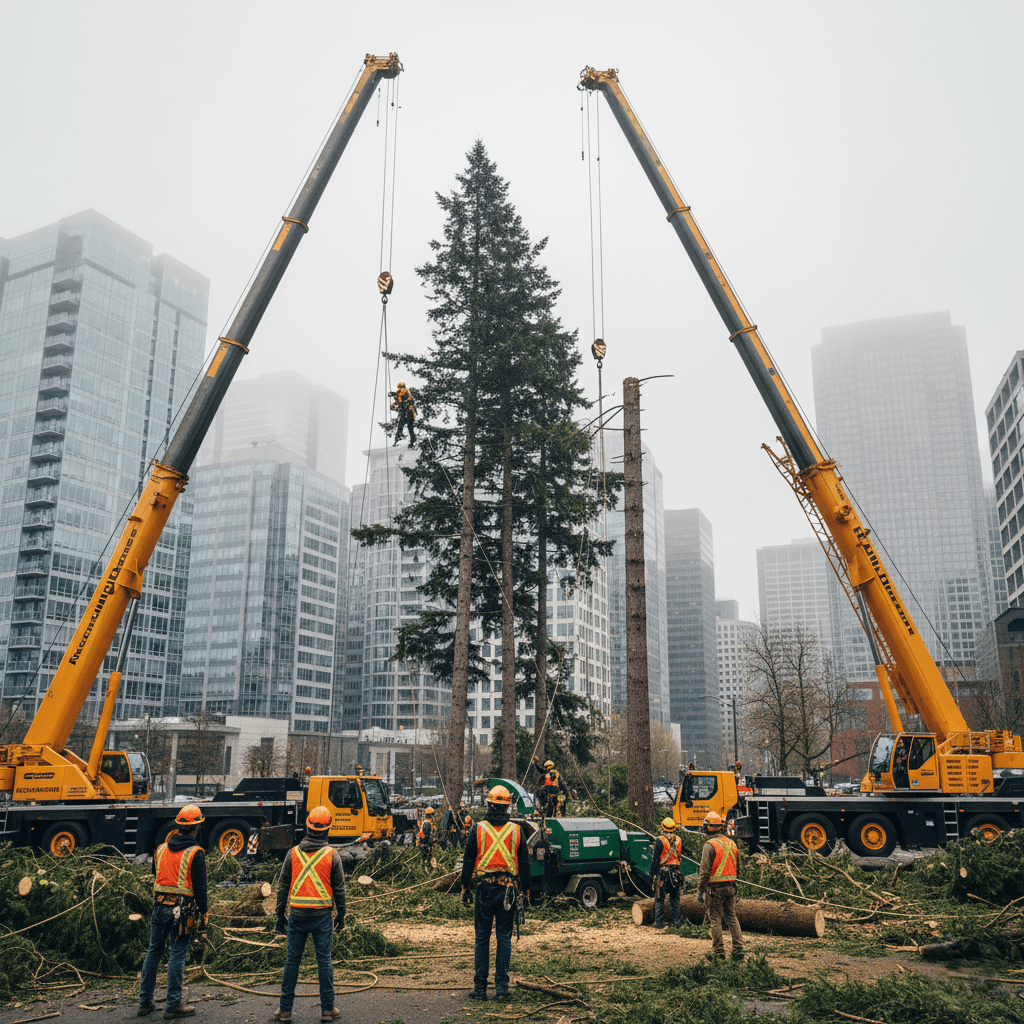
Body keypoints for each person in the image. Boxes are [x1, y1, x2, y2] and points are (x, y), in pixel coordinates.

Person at [274, 806, 346, 1023]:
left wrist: (279, 915)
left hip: (297, 916)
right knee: (324, 962)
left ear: (307, 827)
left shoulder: (292, 853)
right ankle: (327, 1010)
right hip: (322, 917)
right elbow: (339, 889)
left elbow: (282, 886)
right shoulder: (332, 855)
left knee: (292, 962)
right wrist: (341, 915)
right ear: (327, 830)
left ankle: (285, 1011)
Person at [460, 784, 530, 1002]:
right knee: (504, 938)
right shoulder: (516, 831)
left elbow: (468, 860)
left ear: (489, 805)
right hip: (508, 891)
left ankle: (480, 988)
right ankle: (501, 989)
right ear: (508, 807)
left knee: (482, 937)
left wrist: (464, 886)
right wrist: (526, 891)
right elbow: (525, 864)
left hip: (485, 890)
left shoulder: (478, 828)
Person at [138, 805, 208, 1019]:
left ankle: (144, 1003)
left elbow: (156, 874)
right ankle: (173, 1005)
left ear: (179, 826)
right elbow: (200, 887)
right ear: (196, 828)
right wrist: (204, 912)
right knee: (177, 953)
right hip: (181, 911)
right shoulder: (195, 852)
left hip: (159, 906)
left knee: (154, 951)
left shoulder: (160, 849)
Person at [697, 811, 743, 961]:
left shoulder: (709, 845)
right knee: (732, 917)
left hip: (715, 889)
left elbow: (705, 871)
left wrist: (701, 890)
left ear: (708, 827)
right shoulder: (731, 843)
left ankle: (718, 951)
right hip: (731, 887)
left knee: (715, 919)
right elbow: (738, 867)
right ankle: (738, 950)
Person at [652, 817, 684, 929]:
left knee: (659, 898)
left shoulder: (660, 840)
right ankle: (676, 922)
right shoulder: (678, 839)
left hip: (664, 873)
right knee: (675, 899)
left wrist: (653, 874)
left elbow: (655, 859)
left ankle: (659, 922)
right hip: (677, 872)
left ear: (663, 827)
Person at [391, 382, 417, 447]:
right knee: (409, 427)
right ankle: (412, 440)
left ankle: (399, 438)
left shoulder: (404, 391)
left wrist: (394, 394)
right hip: (408, 412)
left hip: (407, 412)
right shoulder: (402, 393)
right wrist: (394, 404)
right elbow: (399, 401)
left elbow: (402, 398)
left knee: (401, 425)